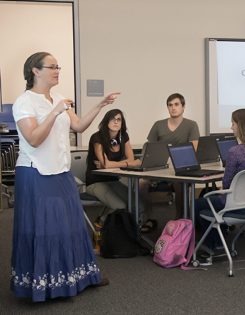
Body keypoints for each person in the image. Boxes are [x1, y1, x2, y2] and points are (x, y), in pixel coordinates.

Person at [10, 51, 119, 301]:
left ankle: (81, 277)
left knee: (71, 226)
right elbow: (34, 139)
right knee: (43, 229)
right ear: (35, 71)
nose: (57, 70)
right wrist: (55, 111)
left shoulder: (57, 98)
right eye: (52, 67)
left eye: (58, 66)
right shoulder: (24, 102)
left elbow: (79, 126)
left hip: (60, 170)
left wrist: (101, 105)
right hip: (35, 171)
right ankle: (44, 285)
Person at [194, 108, 245, 253]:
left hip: (234, 204)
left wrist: (222, 187)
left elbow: (226, 184)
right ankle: (218, 240)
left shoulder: (235, 151)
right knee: (210, 201)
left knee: (197, 204)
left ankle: (210, 244)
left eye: (233, 123)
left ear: (241, 126)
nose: (231, 127)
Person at [145, 93, 200, 230]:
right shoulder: (158, 125)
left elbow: (193, 149)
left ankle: (180, 218)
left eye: (176, 104)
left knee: (179, 182)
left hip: (179, 168)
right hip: (158, 167)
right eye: (170, 105)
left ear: (183, 107)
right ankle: (147, 217)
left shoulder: (191, 125)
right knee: (140, 184)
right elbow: (149, 148)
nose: (173, 108)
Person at [85, 109, 142, 225]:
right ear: (106, 122)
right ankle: (100, 223)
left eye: (119, 119)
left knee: (138, 205)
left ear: (122, 123)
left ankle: (129, 232)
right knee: (120, 206)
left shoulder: (123, 136)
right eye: (113, 119)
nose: (116, 122)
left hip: (113, 180)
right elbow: (107, 164)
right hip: (95, 182)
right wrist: (127, 163)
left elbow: (128, 159)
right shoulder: (97, 137)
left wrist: (110, 164)